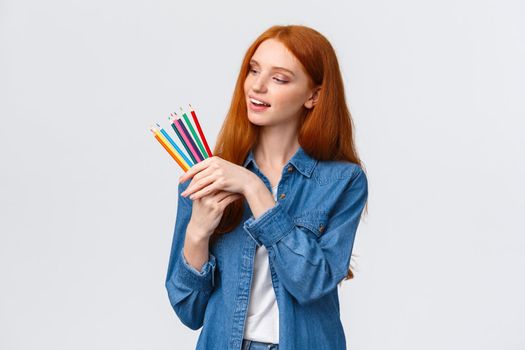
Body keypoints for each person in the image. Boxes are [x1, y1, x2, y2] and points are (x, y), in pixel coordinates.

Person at [165, 24, 369, 350]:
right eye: (254, 70)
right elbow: (189, 311)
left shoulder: (343, 181)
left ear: (313, 95)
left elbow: (312, 284)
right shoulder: (209, 175)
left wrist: (254, 188)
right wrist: (197, 234)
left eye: (279, 78)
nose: (257, 87)